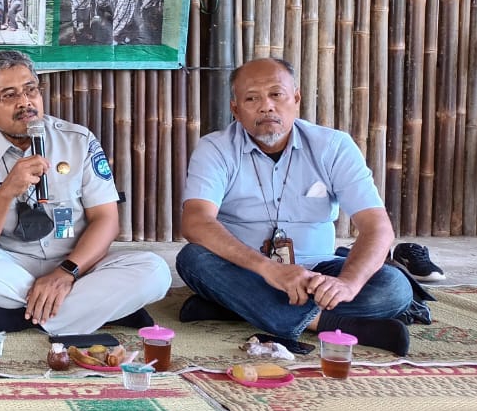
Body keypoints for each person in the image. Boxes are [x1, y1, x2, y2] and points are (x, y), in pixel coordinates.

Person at [176, 58, 423, 353]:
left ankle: (237, 306)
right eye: (252, 98)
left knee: (393, 287)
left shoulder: (333, 146)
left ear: (296, 99)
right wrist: (269, 270)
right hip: (246, 269)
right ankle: (330, 324)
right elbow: (196, 222)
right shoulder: (215, 149)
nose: (266, 106)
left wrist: (347, 284)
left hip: (319, 270)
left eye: (276, 94)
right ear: (235, 110)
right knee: (193, 259)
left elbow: (377, 227)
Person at [0, 50, 171, 336]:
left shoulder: (79, 141)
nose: (25, 103)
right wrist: (7, 191)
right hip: (12, 265)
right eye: (10, 95)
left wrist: (65, 273)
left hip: (78, 264)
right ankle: (92, 310)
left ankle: (14, 318)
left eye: (31, 90)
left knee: (155, 271)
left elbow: (106, 219)